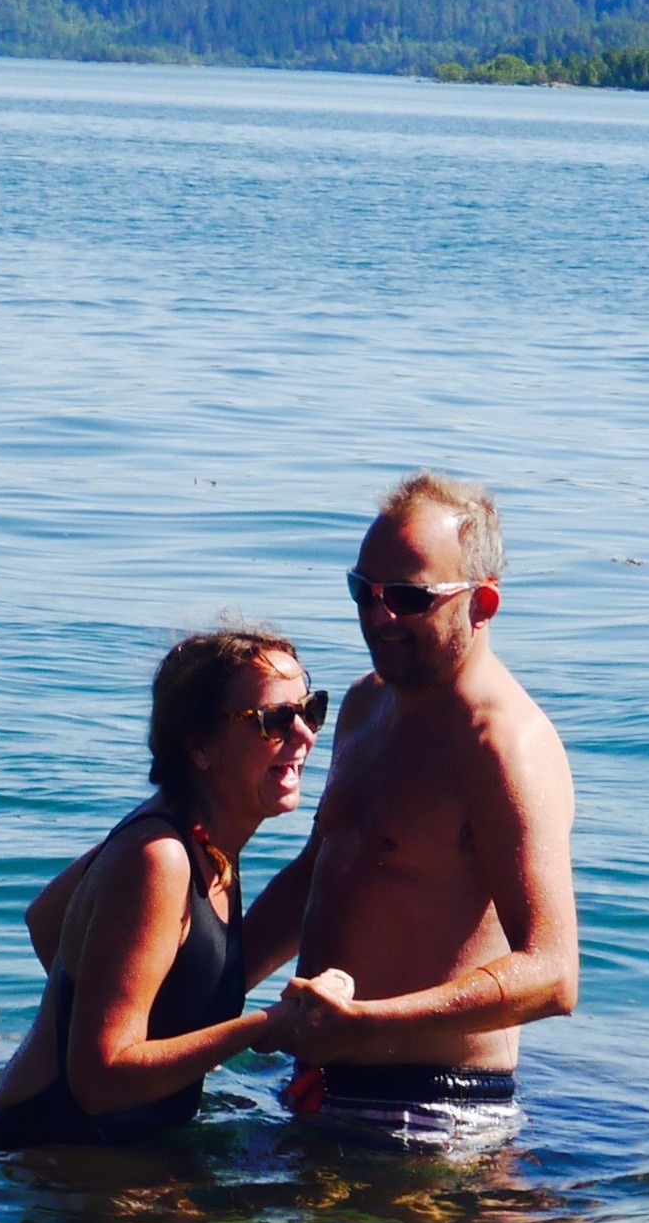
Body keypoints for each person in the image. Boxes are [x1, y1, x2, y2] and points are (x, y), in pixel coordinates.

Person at [245, 472, 579, 1154]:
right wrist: (196, 994)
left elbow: (552, 973)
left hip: (432, 1117)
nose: (378, 616)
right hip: (318, 1085)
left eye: (407, 598)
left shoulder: (505, 746)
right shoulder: (369, 703)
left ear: (481, 604)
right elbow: (319, 874)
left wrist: (366, 1024)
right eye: (362, 592)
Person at [0, 624, 333, 1151]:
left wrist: (118, 992)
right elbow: (100, 1082)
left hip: (108, 1148)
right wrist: (266, 1026)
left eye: (311, 710)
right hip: (55, 1154)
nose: (304, 735)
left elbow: (46, 919)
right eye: (275, 720)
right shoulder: (159, 857)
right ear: (201, 747)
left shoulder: (197, 838)